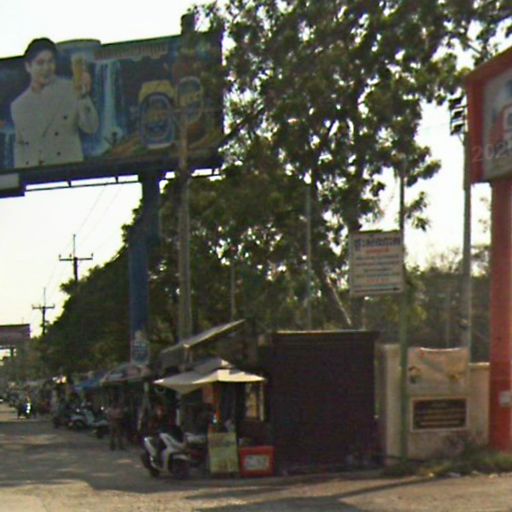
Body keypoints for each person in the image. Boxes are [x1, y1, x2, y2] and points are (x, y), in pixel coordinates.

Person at [10, 37, 99, 169]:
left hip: (70, 170)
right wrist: (21, 174)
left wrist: (83, 97)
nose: (46, 68)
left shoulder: (70, 88)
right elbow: (20, 147)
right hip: (38, 175)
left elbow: (91, 128)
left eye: (50, 62)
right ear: (28, 66)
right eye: (40, 63)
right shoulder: (18, 105)